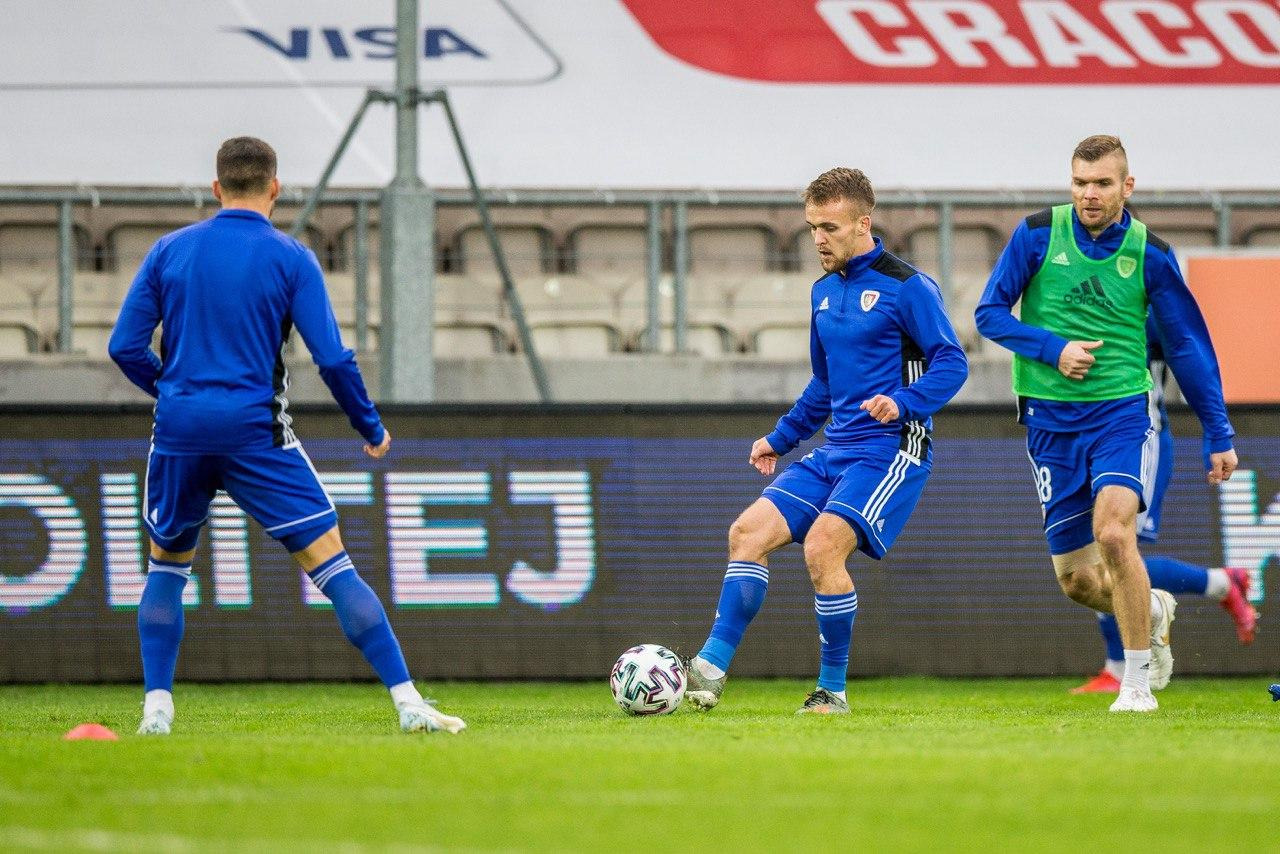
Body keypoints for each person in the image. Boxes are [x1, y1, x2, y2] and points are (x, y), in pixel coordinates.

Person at [108, 136, 464, 736]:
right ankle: (408, 703)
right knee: (332, 563)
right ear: (275, 187)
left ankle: (156, 713)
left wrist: (171, 391)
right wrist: (369, 424)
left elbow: (124, 346)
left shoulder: (169, 250)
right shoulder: (291, 258)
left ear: (216, 187)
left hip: (180, 432)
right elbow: (332, 357)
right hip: (255, 433)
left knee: (166, 567)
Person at [685, 167, 968, 714]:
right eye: (812, 227)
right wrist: (781, 437)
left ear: (863, 224)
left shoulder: (909, 287)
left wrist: (904, 403)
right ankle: (709, 670)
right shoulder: (821, 291)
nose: (818, 239)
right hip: (835, 449)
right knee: (746, 533)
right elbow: (824, 383)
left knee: (822, 546)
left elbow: (952, 363)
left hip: (892, 449)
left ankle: (831, 691)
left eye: (830, 227)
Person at [975, 135, 1237, 712]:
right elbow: (988, 314)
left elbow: (1187, 346)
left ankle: (1136, 684)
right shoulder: (1036, 234)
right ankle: (1155, 608)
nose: (1089, 194)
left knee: (1115, 534)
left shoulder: (1150, 253)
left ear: (1127, 186)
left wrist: (1218, 432)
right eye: (1080, 182)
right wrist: (1053, 349)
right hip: (1049, 421)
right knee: (1078, 581)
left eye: (1102, 183)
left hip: (1122, 413)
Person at [1071, 325, 1256, 694]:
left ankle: (1120, 668)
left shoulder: (1147, 302)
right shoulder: (1073, 301)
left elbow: (1189, 354)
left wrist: (1216, 432)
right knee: (1092, 561)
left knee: (1114, 552)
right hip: (1085, 438)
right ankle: (1223, 583)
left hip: (1139, 439)